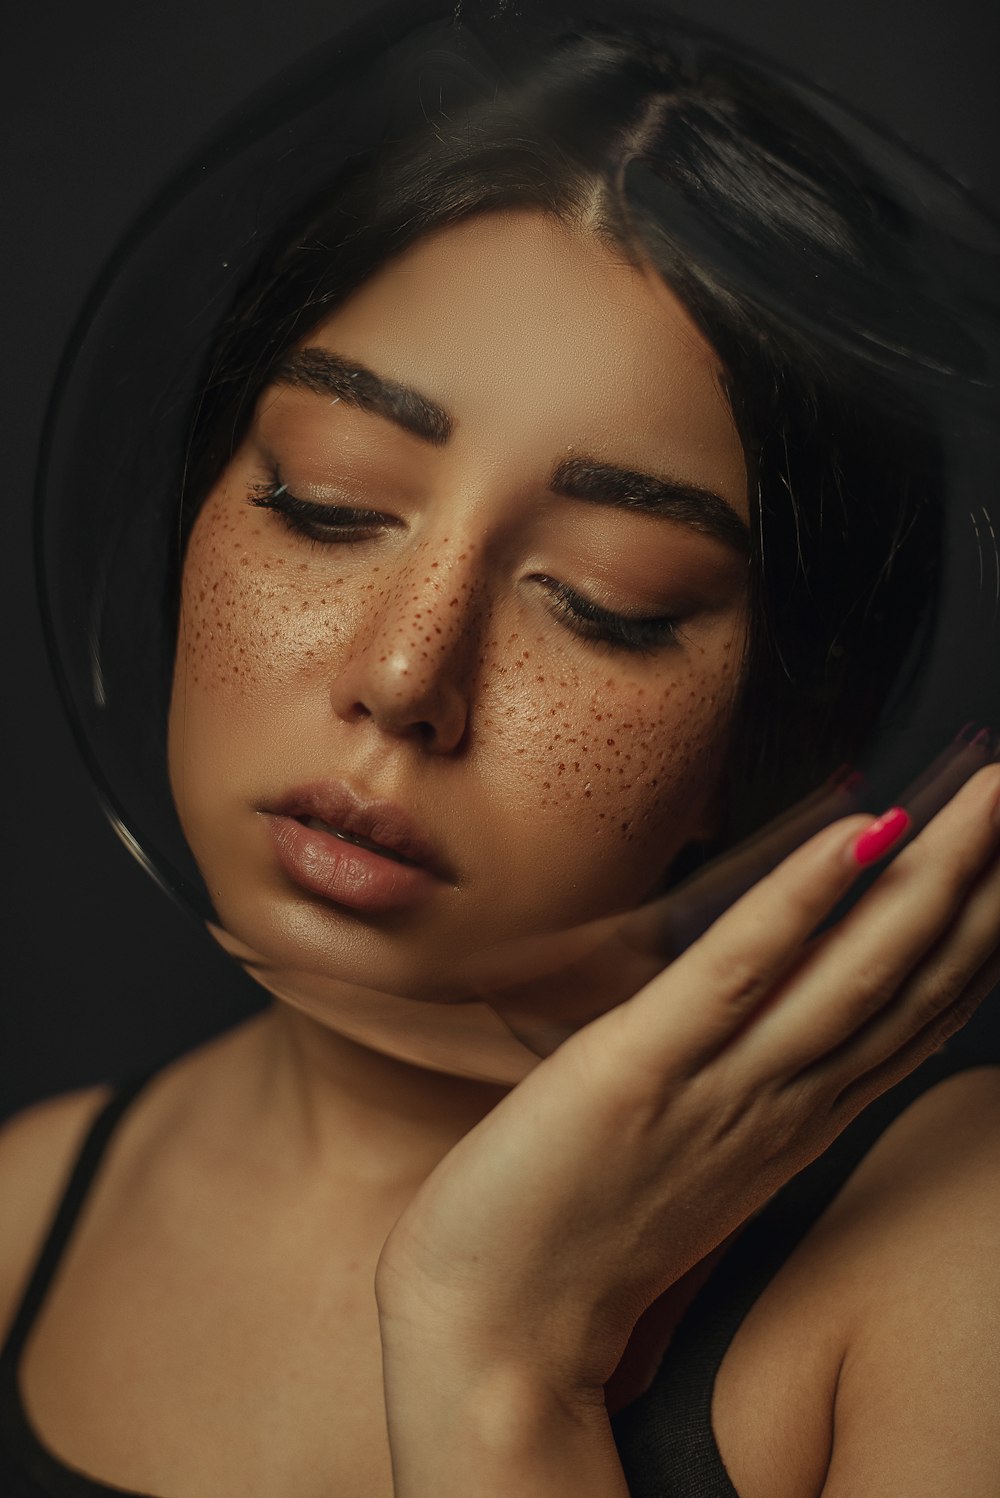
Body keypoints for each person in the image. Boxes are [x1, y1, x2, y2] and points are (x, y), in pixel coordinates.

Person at [1, 5, 998, 1495]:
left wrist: (497, 1362)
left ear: (783, 733)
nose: (407, 675)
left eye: (606, 603)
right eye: (328, 503)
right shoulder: (18, 1207)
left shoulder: (953, 1244)